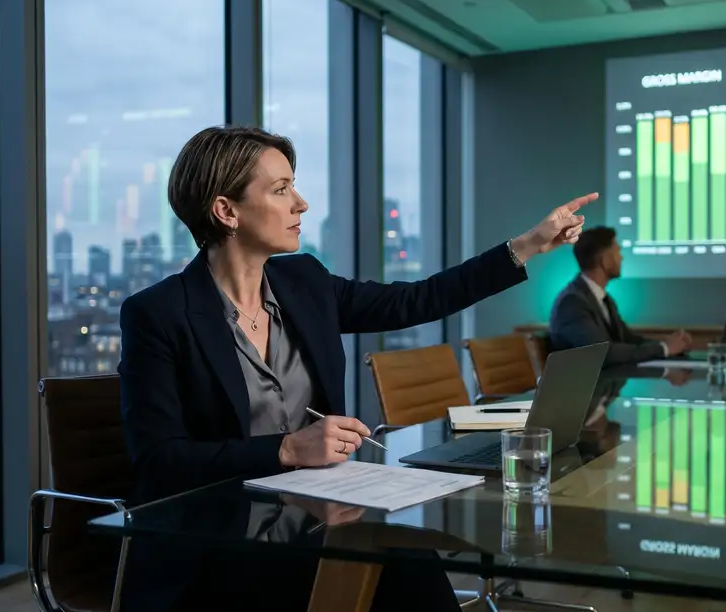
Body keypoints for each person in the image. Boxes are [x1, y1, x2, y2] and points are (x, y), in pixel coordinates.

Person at [117, 125, 596, 611]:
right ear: (226, 211)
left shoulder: (305, 282)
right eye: (281, 190)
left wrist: (527, 245)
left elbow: (417, 299)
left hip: (319, 516)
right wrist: (286, 448)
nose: (300, 203)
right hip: (222, 541)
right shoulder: (157, 314)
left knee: (413, 566)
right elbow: (159, 463)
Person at [548, 226, 692, 367]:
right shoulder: (572, 303)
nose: (621, 257)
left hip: (603, 387)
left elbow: (628, 340)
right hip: (581, 390)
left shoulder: (604, 299)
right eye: (617, 251)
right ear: (604, 259)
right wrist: (664, 349)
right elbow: (603, 353)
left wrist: (668, 345)